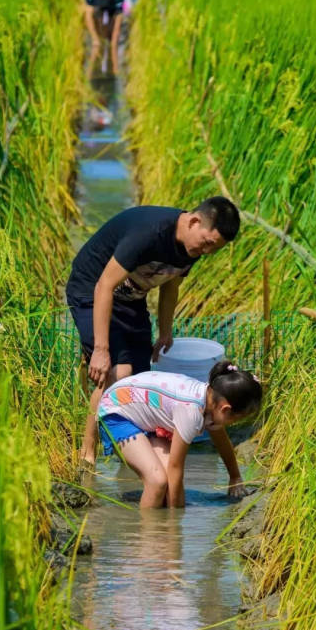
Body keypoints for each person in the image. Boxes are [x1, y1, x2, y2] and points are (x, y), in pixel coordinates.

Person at [65, 198, 241, 471]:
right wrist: (100, 349)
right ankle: (88, 452)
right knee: (116, 373)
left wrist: (166, 331)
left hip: (131, 299)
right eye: (207, 243)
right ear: (194, 221)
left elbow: (170, 285)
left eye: (214, 249)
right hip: (92, 289)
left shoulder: (191, 250)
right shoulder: (149, 233)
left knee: (137, 380)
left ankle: (129, 450)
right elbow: (104, 286)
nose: (206, 251)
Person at [98, 362, 261, 507]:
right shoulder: (191, 411)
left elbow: (222, 441)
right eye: (237, 419)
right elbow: (176, 468)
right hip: (116, 413)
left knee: (168, 485)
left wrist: (235, 477)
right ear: (225, 409)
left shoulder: (211, 399)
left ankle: (156, 527)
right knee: (157, 482)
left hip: (140, 415)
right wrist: (175, 525)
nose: (233, 424)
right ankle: (145, 536)